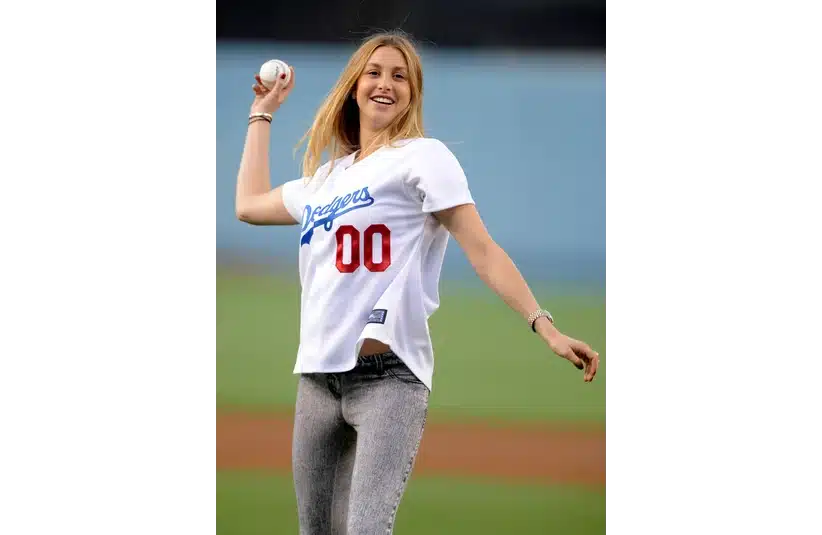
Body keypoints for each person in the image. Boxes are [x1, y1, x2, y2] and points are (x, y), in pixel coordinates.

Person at [234, 30, 600, 535]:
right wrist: (262, 113)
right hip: (317, 380)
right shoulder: (325, 180)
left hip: (388, 380)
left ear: (413, 93)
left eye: (400, 76)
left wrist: (545, 326)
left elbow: (484, 251)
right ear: (353, 86)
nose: (386, 84)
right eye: (375, 72)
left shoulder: (423, 158)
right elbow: (247, 206)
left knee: (367, 530)